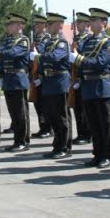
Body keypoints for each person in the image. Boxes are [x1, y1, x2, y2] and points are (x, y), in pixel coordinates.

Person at [70, 8, 110, 169]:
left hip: (101, 85)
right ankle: (97, 154)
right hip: (88, 86)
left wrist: (79, 59)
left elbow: (101, 63)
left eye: (96, 20)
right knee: (93, 124)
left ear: (104, 23)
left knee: (105, 123)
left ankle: (108, 155)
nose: (92, 23)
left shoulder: (108, 42)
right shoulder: (87, 42)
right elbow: (80, 64)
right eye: (92, 20)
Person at [31, 12, 72, 159]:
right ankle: (57, 145)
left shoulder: (62, 42)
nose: (47, 26)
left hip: (59, 81)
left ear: (60, 25)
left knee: (62, 116)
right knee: (52, 115)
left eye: (50, 24)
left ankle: (64, 147)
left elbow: (55, 57)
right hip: (48, 82)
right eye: (47, 24)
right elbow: (43, 62)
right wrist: (40, 74)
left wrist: (39, 57)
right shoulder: (49, 43)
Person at [0, 13, 31, 152]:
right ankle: (17, 140)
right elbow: (4, 61)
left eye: (11, 24)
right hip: (8, 80)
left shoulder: (23, 41)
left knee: (21, 113)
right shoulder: (7, 41)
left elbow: (13, 53)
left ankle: (23, 141)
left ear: (19, 26)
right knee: (14, 114)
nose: (8, 27)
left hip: (18, 80)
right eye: (8, 24)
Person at [71, 12, 92, 145]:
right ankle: (81, 133)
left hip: (85, 76)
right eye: (77, 22)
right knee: (77, 108)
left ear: (87, 24)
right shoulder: (76, 38)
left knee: (86, 109)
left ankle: (87, 134)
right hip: (76, 76)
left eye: (81, 22)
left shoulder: (89, 39)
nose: (78, 25)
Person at [30, 14, 52, 139]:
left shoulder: (47, 39)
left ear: (44, 25)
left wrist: (41, 76)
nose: (36, 27)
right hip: (35, 74)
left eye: (38, 24)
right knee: (37, 103)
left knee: (45, 104)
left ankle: (48, 128)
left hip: (43, 76)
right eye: (35, 24)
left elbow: (44, 56)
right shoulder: (36, 40)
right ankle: (42, 127)